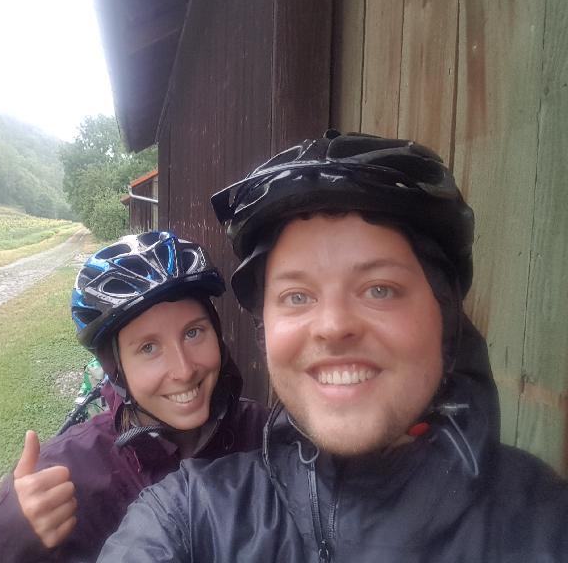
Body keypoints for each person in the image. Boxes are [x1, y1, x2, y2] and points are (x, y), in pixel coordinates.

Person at [98, 131, 568, 561]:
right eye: (296, 296)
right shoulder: (188, 516)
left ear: (445, 317)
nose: (333, 326)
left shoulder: (545, 525)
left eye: (379, 289)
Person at [0, 231, 267, 562]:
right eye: (148, 348)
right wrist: (7, 538)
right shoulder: (67, 474)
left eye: (194, 332)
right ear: (115, 368)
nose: (183, 370)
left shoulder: (266, 435)